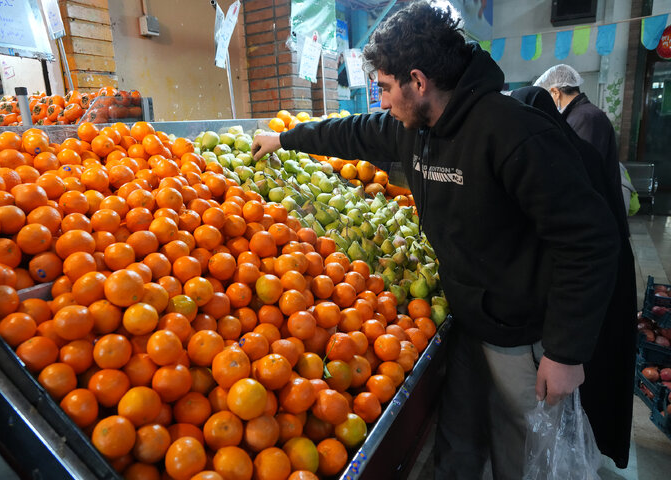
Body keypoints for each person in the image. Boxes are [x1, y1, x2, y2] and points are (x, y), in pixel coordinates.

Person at [252, 2, 620, 478]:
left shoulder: (512, 132)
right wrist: (285, 139)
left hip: (519, 329)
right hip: (468, 315)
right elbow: (354, 134)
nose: (381, 101)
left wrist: (566, 351)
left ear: (418, 81)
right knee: (459, 438)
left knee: (521, 451)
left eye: (384, 88)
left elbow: (589, 239)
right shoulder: (417, 127)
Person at [510, 86, 636, 468]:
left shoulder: (559, 162)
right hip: (608, 286)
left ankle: (584, 458)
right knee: (594, 392)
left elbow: (580, 246)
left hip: (597, 293)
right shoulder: (572, 151)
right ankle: (587, 455)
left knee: (589, 386)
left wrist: (565, 349)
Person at [534, 64, 621, 205]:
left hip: (597, 204)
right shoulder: (579, 115)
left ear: (555, 92)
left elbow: (583, 169)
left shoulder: (586, 118)